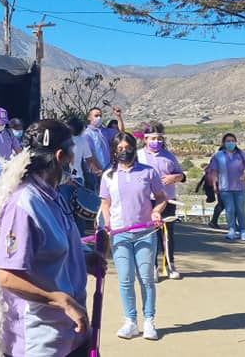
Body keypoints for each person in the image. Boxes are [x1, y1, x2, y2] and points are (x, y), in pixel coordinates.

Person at [0, 119, 104, 357]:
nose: (73, 160)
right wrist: (61, 301)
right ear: (60, 156)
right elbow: (8, 276)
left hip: (73, 334)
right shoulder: (24, 203)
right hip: (41, 341)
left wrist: (84, 259)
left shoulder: (54, 195)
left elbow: (49, 254)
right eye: (71, 153)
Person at [99, 132, 167, 340]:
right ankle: (130, 321)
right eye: (119, 149)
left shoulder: (148, 172)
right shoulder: (108, 176)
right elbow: (105, 203)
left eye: (128, 148)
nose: (124, 152)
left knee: (146, 278)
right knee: (125, 279)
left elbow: (161, 198)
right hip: (120, 234)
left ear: (133, 149)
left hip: (145, 233)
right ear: (113, 151)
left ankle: (149, 321)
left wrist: (156, 212)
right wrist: (107, 222)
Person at [136, 121, 185, 280]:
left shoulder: (169, 156)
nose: (156, 141)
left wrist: (174, 177)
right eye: (153, 138)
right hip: (146, 201)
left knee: (167, 234)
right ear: (145, 139)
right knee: (149, 234)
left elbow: (182, 175)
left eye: (159, 138)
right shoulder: (138, 156)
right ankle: (153, 267)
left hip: (168, 200)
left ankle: (170, 265)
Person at [206, 133, 245, 241]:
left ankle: (243, 231)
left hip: (239, 188)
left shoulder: (241, 154)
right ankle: (232, 230)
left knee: (240, 210)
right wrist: (214, 185)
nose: (231, 143)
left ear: (236, 142)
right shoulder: (218, 156)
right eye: (228, 141)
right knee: (229, 210)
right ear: (223, 143)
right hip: (225, 188)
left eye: (233, 141)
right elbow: (214, 171)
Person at [80, 106, 125, 190]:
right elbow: (91, 154)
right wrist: (100, 170)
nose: (99, 118)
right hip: (95, 173)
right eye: (96, 116)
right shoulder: (86, 134)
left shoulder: (105, 131)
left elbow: (121, 133)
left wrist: (118, 117)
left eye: (100, 116)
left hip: (108, 170)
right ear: (89, 117)